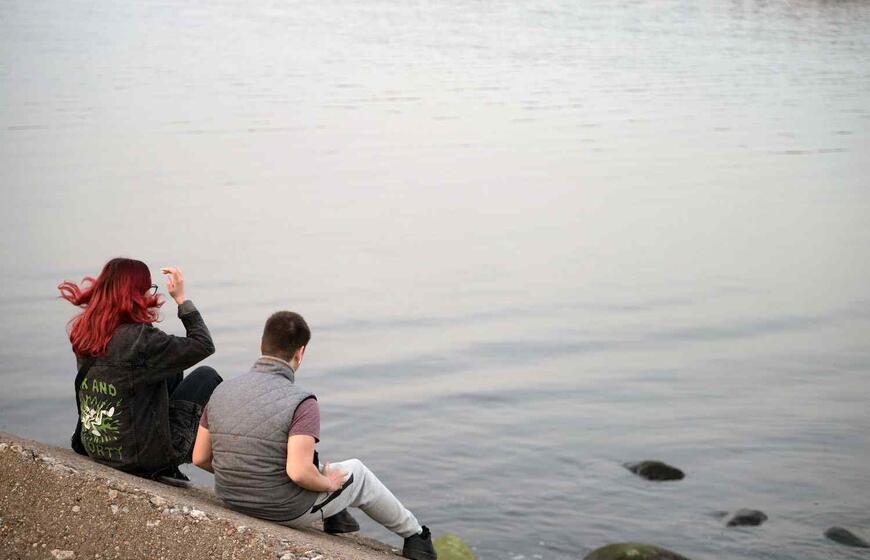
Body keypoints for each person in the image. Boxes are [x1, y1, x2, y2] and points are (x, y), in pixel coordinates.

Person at [192, 311, 437, 560]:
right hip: (280, 509)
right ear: (300, 353)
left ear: (261, 345)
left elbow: (200, 457)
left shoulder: (222, 390)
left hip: (231, 497)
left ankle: (336, 516)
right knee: (356, 474)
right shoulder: (301, 401)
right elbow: (298, 472)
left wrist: (240, 474)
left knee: (308, 460)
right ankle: (417, 537)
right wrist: (329, 484)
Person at [58, 257, 221, 484]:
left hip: (96, 447)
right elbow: (203, 344)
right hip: (140, 459)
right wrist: (181, 299)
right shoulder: (141, 339)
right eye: (147, 289)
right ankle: (197, 460)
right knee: (206, 376)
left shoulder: (86, 331)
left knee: (171, 371)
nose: (150, 295)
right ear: (135, 295)